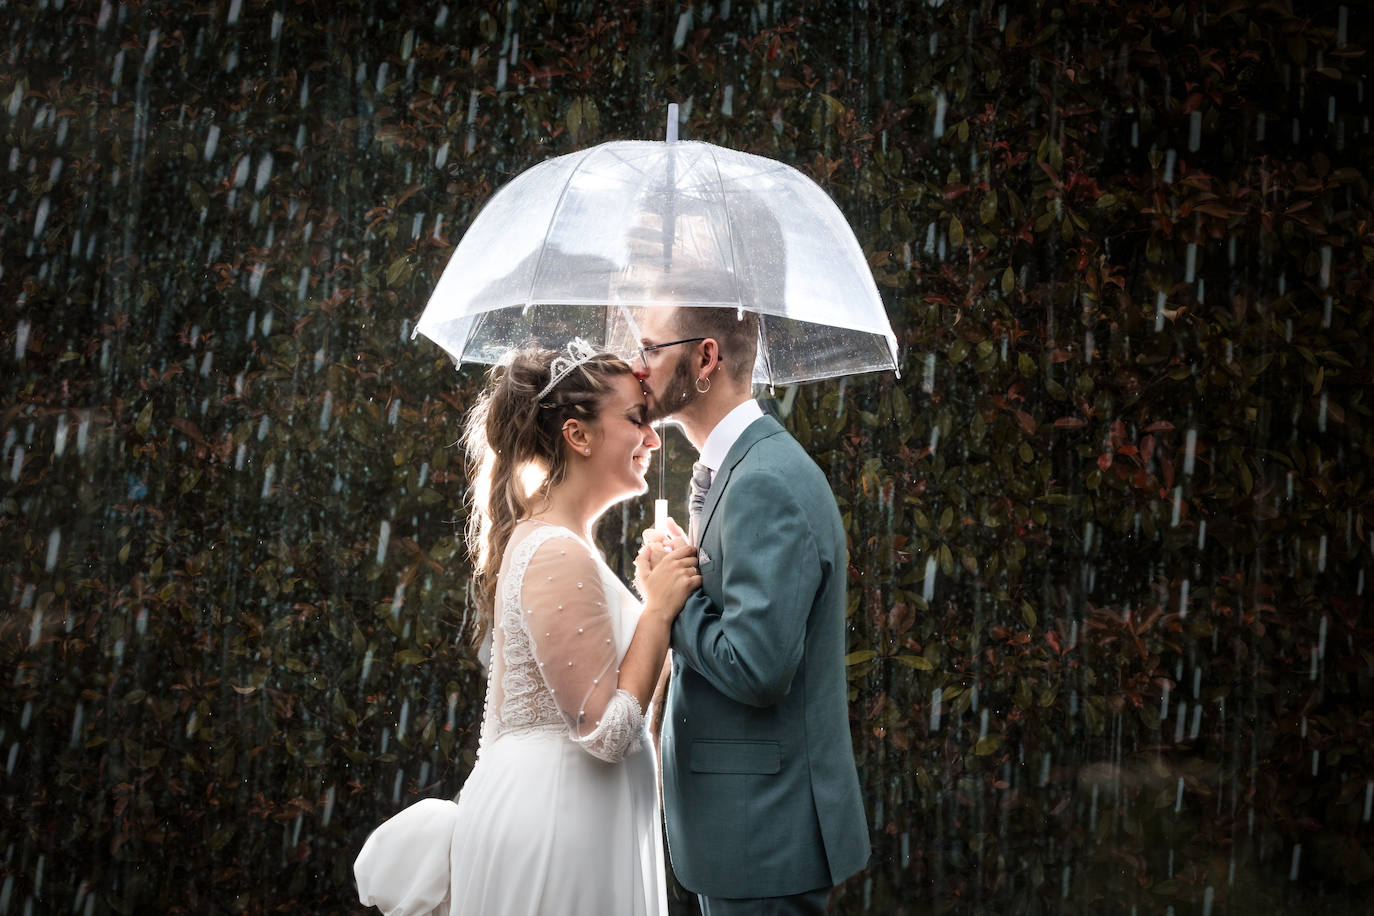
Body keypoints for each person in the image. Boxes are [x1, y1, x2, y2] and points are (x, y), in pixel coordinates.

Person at [354, 339, 701, 916]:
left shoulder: (565, 544)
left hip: (585, 823)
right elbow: (609, 735)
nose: (653, 438)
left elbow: (632, 715)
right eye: (637, 419)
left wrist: (651, 611)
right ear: (578, 435)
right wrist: (658, 613)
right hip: (556, 829)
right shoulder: (553, 552)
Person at [634, 307, 870, 915]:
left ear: (706, 358)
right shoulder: (736, 468)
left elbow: (757, 668)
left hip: (765, 832)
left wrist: (672, 602)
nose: (637, 368)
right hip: (748, 828)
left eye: (651, 349)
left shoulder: (764, 480)